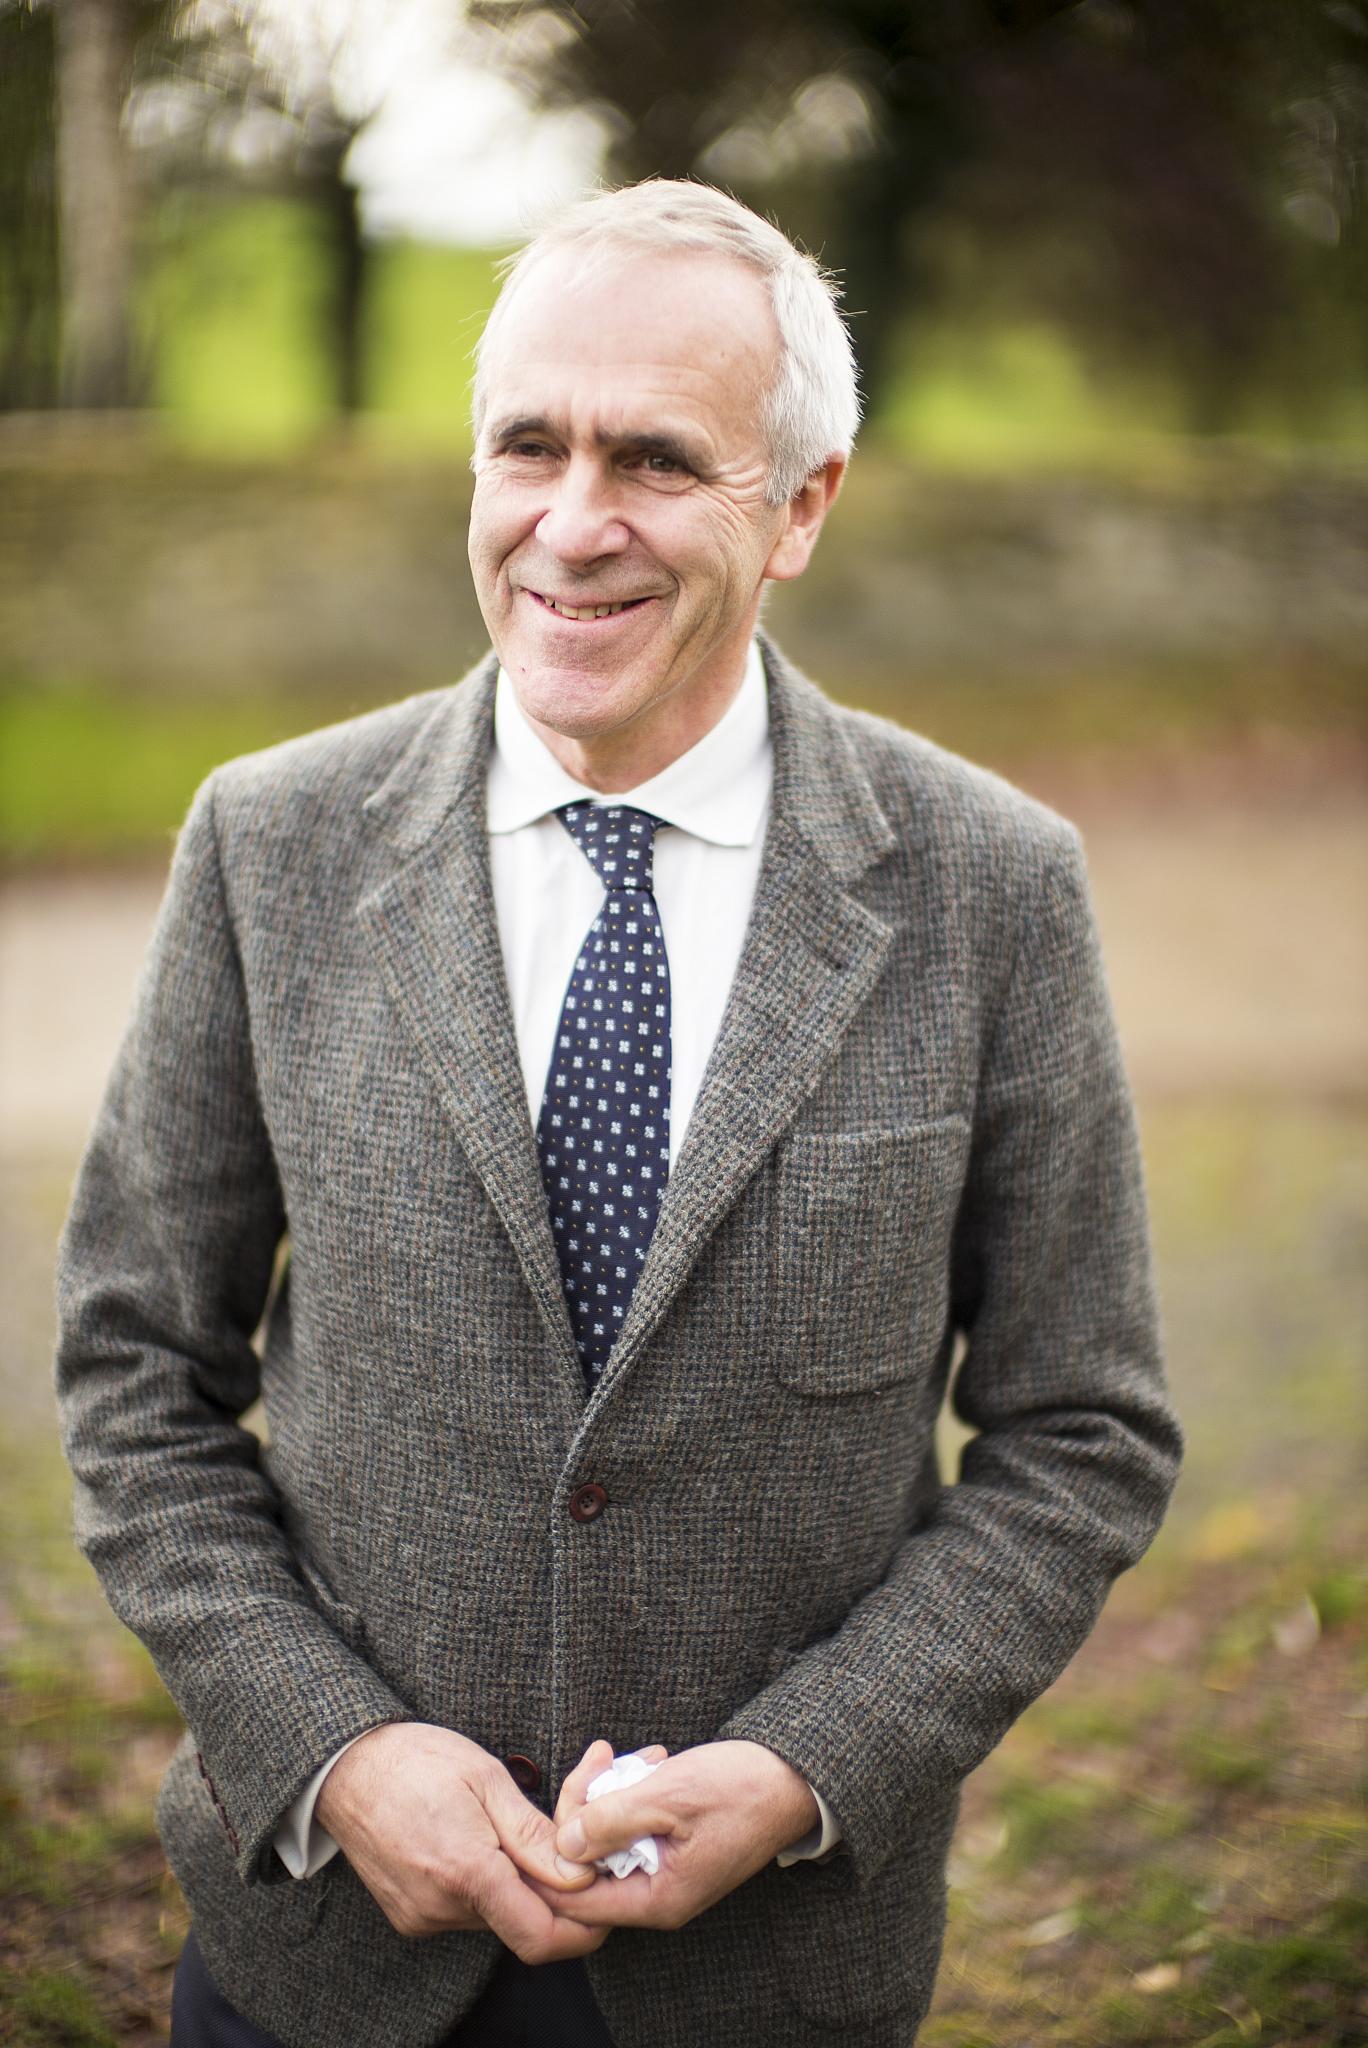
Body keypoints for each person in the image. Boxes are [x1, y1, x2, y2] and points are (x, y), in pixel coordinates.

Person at [55, 179, 1182, 2048]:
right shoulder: (271, 845)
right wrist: (327, 1751)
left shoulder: (992, 887)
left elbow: (1084, 1435)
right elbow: (131, 1368)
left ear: (802, 502)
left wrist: (809, 1767)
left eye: (656, 459)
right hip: (315, 1966)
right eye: (528, 447)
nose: (572, 527)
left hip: (770, 1982)